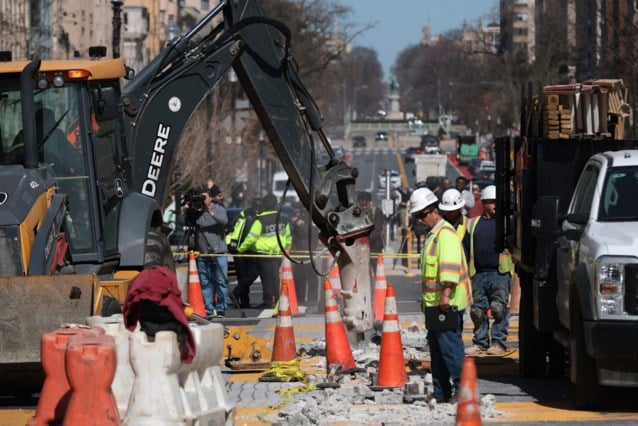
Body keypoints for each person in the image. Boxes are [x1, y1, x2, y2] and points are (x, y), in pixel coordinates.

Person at [409, 187, 471, 404]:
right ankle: (441, 393)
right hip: (435, 306)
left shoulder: (445, 235)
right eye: (417, 216)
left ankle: (462, 391)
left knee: (451, 350)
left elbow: (450, 270)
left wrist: (445, 295)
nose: (420, 220)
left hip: (447, 303)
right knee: (437, 352)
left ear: (434, 211)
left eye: (421, 215)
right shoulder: (433, 236)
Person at [465, 185, 514, 356]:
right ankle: (480, 342)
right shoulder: (472, 224)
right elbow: (465, 248)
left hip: (499, 274)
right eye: (492, 202)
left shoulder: (507, 223)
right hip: (478, 274)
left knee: (498, 309)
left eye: (497, 203)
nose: (495, 206)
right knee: (477, 311)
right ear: (484, 203)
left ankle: (498, 342)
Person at [237, 193, 292, 309]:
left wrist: (241, 249)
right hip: (277, 253)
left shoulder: (260, 219)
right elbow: (288, 236)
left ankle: (268, 302)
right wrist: (287, 248)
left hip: (263, 254)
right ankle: (277, 299)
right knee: (275, 278)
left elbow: (251, 238)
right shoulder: (283, 218)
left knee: (266, 279)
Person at [194, 185, 229, 319]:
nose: (203, 201)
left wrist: (210, 212)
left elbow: (224, 221)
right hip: (203, 253)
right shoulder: (196, 212)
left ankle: (221, 309)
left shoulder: (219, 209)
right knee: (206, 282)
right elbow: (184, 221)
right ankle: (209, 309)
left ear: (210, 199)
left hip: (219, 252)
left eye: (205, 198)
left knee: (221, 281)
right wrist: (186, 209)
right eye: (201, 198)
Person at [228, 197, 262, 308]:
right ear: (252, 205)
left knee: (252, 274)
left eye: (259, 206)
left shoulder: (261, 216)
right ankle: (244, 302)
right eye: (256, 205)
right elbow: (231, 229)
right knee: (242, 276)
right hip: (238, 249)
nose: (257, 208)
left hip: (252, 250)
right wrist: (232, 246)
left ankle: (235, 293)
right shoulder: (243, 215)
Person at [290, 202, 319, 308]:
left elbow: (312, 232)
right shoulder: (293, 217)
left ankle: (312, 300)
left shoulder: (308, 217)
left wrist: (300, 224)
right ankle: (300, 299)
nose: (296, 211)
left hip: (308, 250)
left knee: (311, 277)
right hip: (298, 251)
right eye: (294, 209)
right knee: (299, 276)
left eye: (297, 209)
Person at [357, 191, 384, 276]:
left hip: (375, 246)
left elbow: (377, 229)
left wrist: (366, 238)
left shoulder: (377, 212)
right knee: (363, 271)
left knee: (376, 268)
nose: (364, 207)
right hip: (360, 246)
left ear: (370, 203)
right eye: (362, 205)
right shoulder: (357, 212)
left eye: (366, 205)